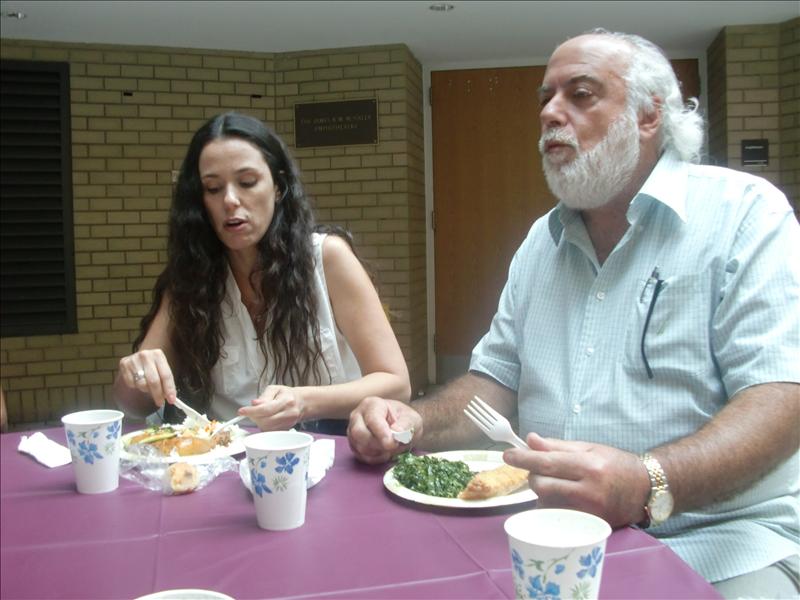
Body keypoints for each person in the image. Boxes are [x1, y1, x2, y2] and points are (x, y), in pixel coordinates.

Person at [347, 29, 800, 597]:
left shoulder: (744, 214)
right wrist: (411, 421)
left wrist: (648, 481)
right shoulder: (541, 242)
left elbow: (781, 397)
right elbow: (493, 386)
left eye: (580, 94)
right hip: (548, 540)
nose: (549, 113)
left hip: (717, 543)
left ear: (649, 115)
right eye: (545, 98)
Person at [114, 112, 411, 435]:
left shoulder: (327, 258)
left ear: (278, 187)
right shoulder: (190, 279)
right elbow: (132, 406)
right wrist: (137, 374)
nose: (230, 200)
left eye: (247, 183)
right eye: (213, 188)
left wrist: (304, 401)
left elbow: (396, 384)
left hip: (331, 446)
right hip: (230, 453)